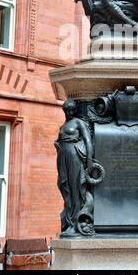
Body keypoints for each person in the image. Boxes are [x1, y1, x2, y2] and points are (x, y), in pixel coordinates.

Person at [54, 100, 93, 236]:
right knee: (65, 187)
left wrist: (89, 161)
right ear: (64, 110)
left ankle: (76, 222)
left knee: (75, 187)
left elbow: (88, 140)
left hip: (74, 155)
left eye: (72, 109)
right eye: (67, 110)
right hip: (63, 156)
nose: (70, 112)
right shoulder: (63, 126)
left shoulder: (78, 123)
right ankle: (69, 221)